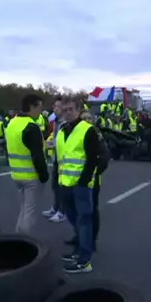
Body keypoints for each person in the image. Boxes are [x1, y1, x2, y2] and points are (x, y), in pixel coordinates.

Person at [57, 97, 101, 274]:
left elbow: (93, 158)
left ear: (78, 110)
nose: (67, 113)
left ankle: (85, 260)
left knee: (84, 221)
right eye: (64, 109)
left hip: (81, 185)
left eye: (70, 110)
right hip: (65, 183)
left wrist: (83, 181)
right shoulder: (62, 130)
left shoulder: (87, 130)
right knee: (74, 219)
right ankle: (79, 251)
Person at [5, 94, 48, 234]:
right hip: (31, 175)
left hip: (16, 174)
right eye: (39, 108)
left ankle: (18, 236)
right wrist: (44, 175)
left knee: (24, 209)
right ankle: (23, 242)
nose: (40, 112)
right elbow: (37, 155)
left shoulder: (12, 123)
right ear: (32, 106)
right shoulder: (31, 126)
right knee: (29, 212)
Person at [43, 97, 67, 223]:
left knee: (62, 187)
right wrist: (51, 142)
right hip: (56, 158)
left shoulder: (66, 123)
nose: (55, 109)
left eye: (58, 106)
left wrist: (55, 144)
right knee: (55, 186)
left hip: (64, 160)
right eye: (54, 106)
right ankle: (56, 208)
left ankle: (62, 211)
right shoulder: (56, 122)